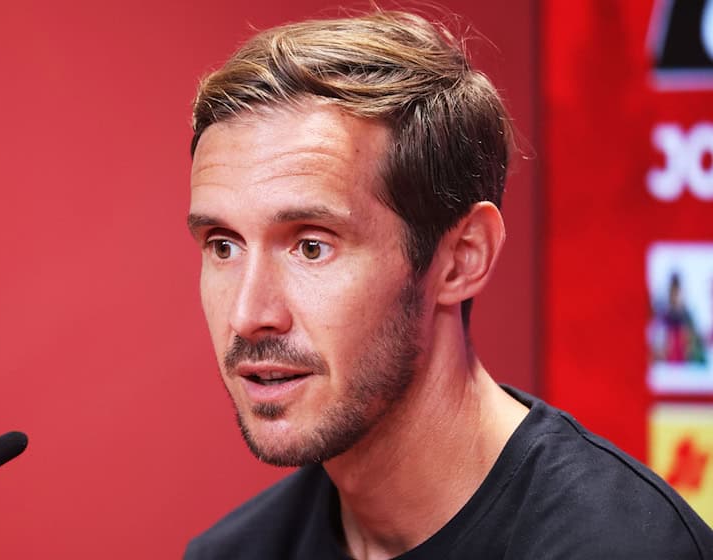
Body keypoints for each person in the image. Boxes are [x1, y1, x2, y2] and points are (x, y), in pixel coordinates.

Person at [183, 9, 713, 560]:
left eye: (311, 246)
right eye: (223, 245)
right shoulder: (232, 552)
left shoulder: (619, 547)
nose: (248, 315)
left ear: (462, 258)